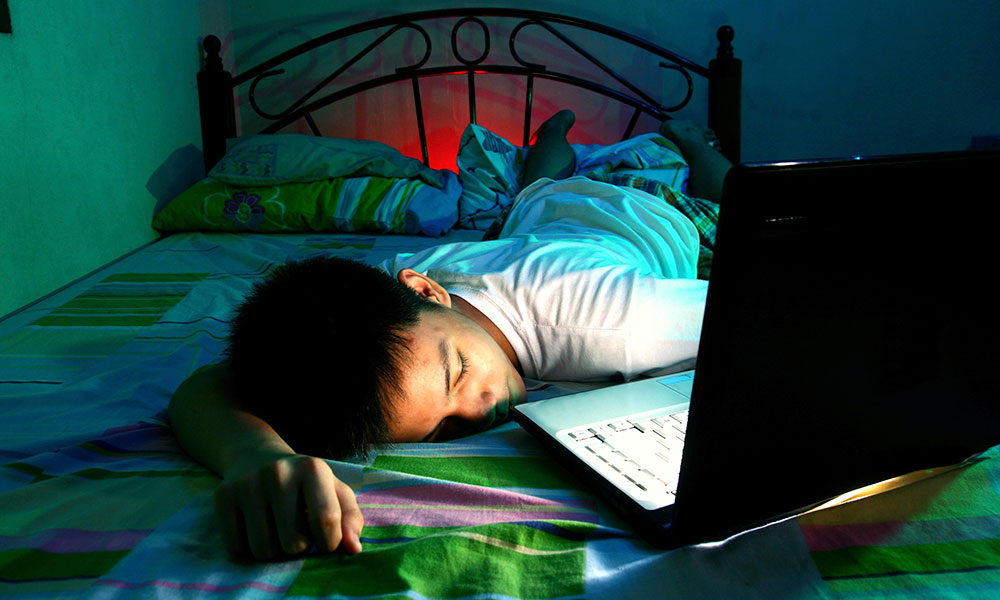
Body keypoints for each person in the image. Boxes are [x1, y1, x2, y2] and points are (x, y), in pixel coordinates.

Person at [167, 113, 732, 561]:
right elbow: (211, 385)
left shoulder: (618, 322)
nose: (483, 411)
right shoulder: (376, 301)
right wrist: (254, 456)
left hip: (648, 210)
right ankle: (550, 136)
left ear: (425, 290)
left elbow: (759, 319)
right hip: (534, 218)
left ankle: (690, 140)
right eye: (442, 429)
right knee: (538, 185)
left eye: (458, 370)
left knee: (727, 200)